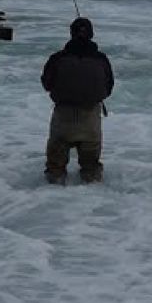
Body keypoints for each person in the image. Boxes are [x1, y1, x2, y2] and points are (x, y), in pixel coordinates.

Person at [40, 17, 114, 184]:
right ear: (91, 35)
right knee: (91, 170)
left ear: (71, 34)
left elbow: (47, 83)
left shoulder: (58, 58)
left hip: (63, 118)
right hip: (90, 120)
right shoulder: (101, 59)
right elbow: (108, 87)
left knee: (55, 170)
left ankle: (51, 195)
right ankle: (92, 198)